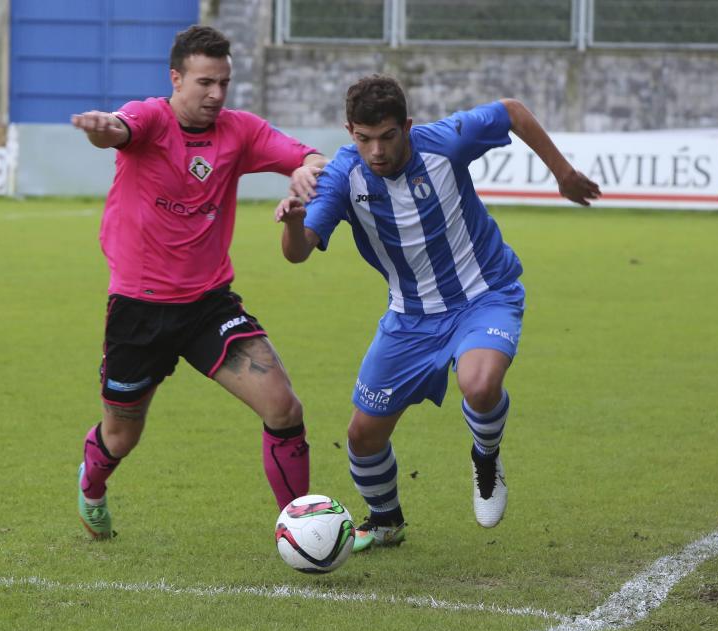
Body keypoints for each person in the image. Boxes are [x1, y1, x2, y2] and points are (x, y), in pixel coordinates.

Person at [275, 74, 600, 551]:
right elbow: (298, 252)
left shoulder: (444, 143)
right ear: (350, 132)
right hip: (408, 318)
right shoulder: (345, 176)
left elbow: (511, 110)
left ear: (406, 126)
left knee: (480, 382)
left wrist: (563, 173)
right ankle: (386, 521)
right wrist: (295, 218)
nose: (377, 151)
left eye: (387, 136)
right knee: (363, 436)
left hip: (484, 295)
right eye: (364, 139)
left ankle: (485, 458)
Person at [70, 25, 327, 539]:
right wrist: (101, 128)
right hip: (138, 309)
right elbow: (118, 130)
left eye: (224, 83)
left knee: (283, 405)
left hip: (209, 305)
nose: (216, 94)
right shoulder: (150, 117)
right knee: (121, 435)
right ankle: (92, 487)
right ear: (176, 79)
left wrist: (308, 171)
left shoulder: (240, 131)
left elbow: (313, 156)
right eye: (205, 82)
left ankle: (303, 527)